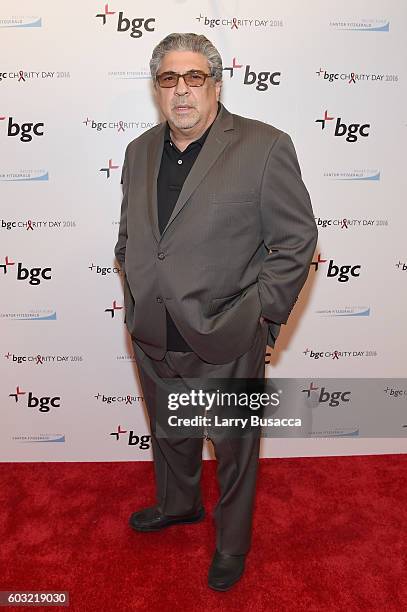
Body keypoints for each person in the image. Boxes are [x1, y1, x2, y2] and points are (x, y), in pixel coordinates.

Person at [114, 32, 318, 591]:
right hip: (154, 331)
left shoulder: (264, 146)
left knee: (234, 450)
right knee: (171, 433)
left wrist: (261, 315)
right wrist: (134, 294)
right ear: (157, 88)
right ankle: (178, 505)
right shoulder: (138, 151)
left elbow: (298, 239)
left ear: (216, 83)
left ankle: (232, 545)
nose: (181, 91)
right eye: (168, 79)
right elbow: (133, 234)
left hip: (227, 330)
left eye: (194, 78)